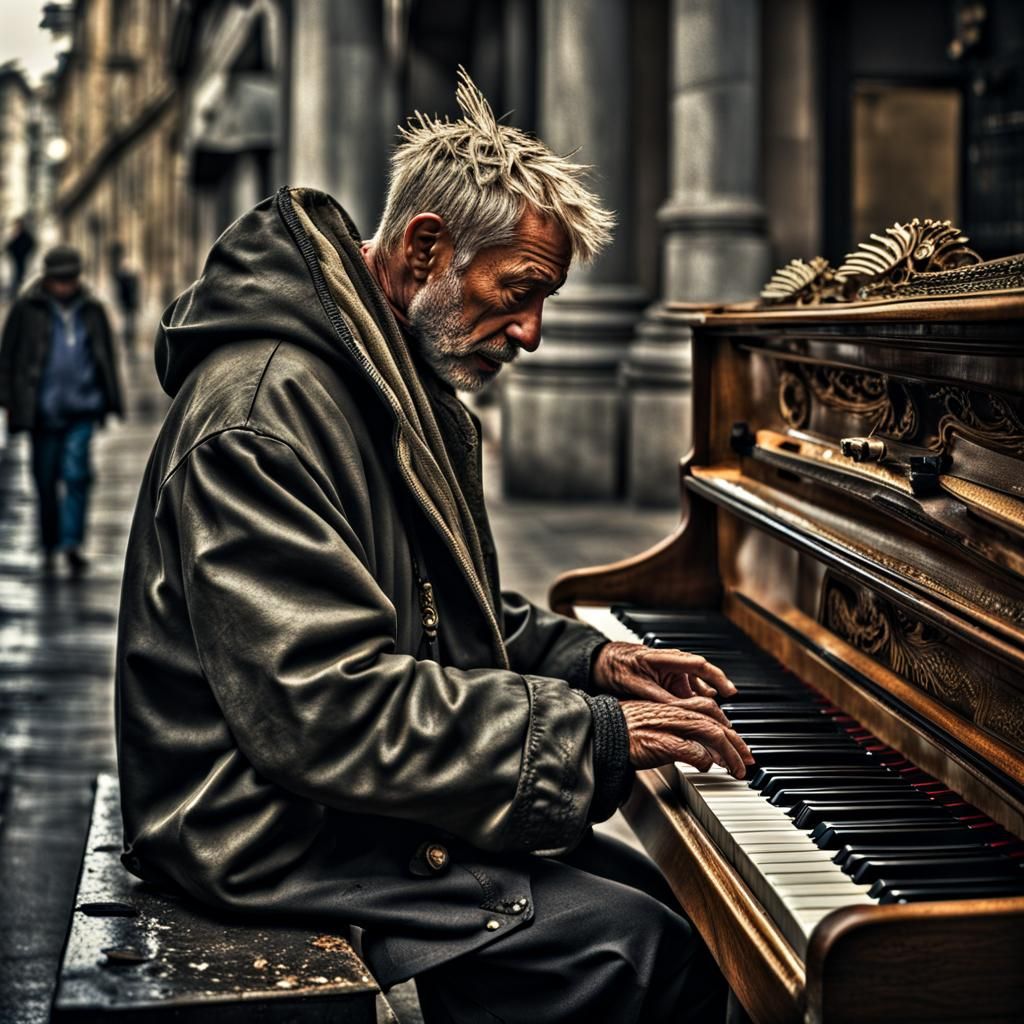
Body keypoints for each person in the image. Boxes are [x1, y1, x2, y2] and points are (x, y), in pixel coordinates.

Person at [116, 70, 752, 1022]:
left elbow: (428, 604)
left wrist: (591, 662)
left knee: (665, 897)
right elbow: (324, 708)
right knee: (636, 954)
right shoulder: (265, 414)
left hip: (333, 797)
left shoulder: (384, 376)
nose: (532, 333)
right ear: (426, 248)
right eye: (520, 292)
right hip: (258, 829)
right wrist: (589, 736)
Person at [0, 245, 123, 576]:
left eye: (70, 279)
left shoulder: (92, 310)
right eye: (60, 279)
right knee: (45, 479)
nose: (65, 286)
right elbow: (7, 358)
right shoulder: (26, 309)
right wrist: (9, 401)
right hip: (42, 411)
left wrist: (110, 398)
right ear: (48, 278)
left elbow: (106, 356)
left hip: (83, 408)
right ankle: (50, 540)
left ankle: (71, 543)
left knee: (77, 474)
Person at [6, 218, 35, 300]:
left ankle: (20, 295)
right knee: (16, 277)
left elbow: (31, 244)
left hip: (22, 260)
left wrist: (24, 253)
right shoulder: (15, 235)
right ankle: (16, 295)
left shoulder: (25, 235)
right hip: (16, 260)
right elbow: (10, 246)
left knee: (21, 277)